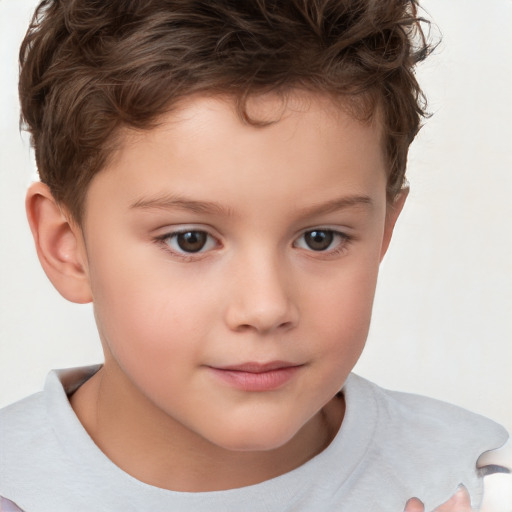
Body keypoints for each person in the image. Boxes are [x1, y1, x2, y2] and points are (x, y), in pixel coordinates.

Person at [0, 0, 508, 510]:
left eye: (320, 238)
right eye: (190, 240)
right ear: (66, 245)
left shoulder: (480, 483)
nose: (265, 308)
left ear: (383, 234)